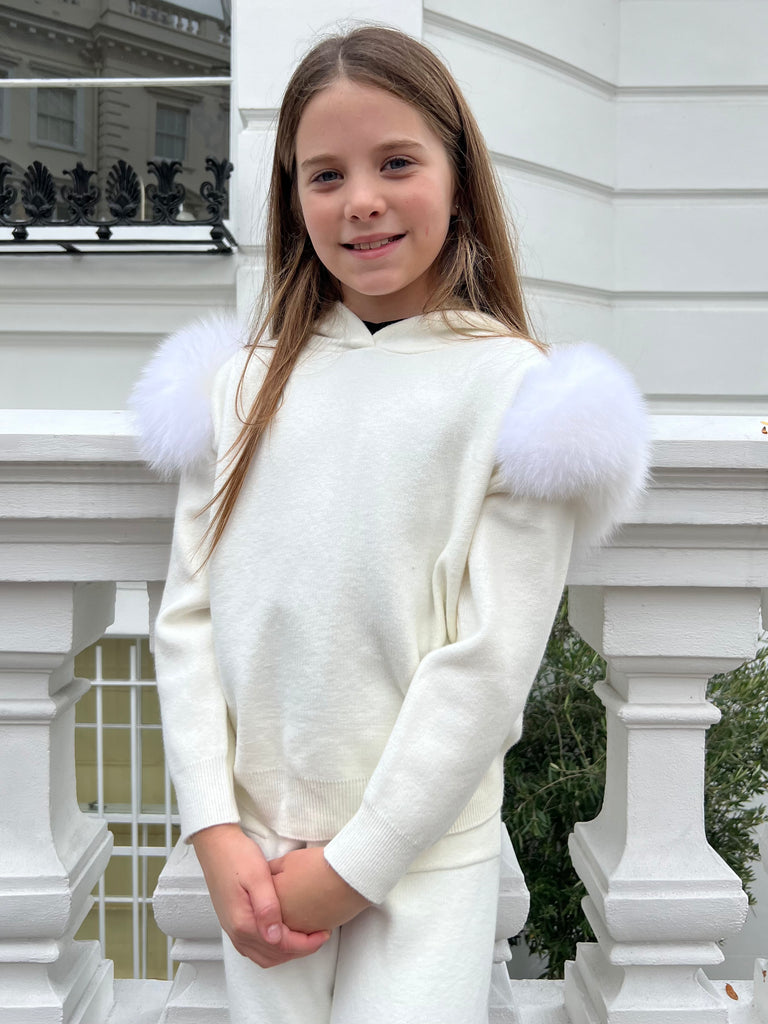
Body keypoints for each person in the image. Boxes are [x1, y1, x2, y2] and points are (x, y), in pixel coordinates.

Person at [131, 24, 650, 1024]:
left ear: (458, 175)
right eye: (325, 174)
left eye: (397, 163)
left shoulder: (516, 395)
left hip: (422, 862)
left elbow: (487, 668)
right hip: (255, 863)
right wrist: (214, 828)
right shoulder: (237, 389)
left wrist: (354, 867)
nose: (360, 199)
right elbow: (186, 620)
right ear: (292, 195)